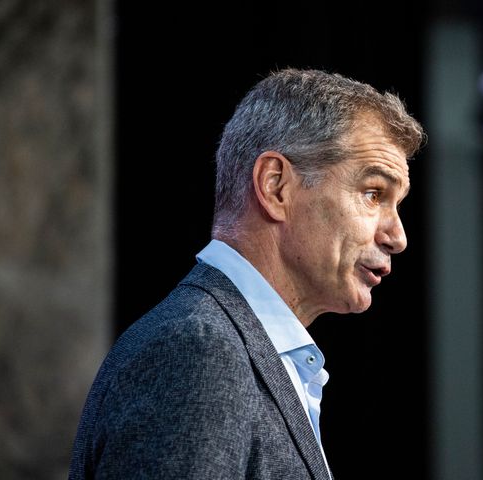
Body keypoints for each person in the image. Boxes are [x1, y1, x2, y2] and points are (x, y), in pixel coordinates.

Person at [68, 67, 425, 479]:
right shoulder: (199, 350)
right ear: (276, 187)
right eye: (373, 194)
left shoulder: (240, 347)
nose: (398, 237)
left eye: (396, 204)